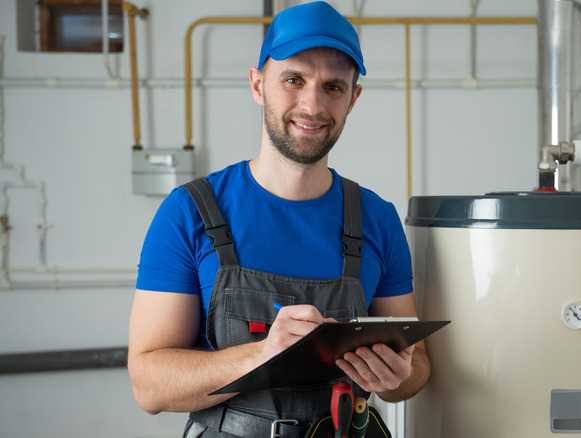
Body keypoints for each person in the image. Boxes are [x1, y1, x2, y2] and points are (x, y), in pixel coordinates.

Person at [127, 2, 430, 437]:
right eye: (293, 80)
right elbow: (150, 385)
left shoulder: (377, 219)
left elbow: (418, 366)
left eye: (333, 87)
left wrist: (399, 376)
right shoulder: (189, 211)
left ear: (353, 98)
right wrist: (261, 355)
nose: (312, 104)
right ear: (257, 85)